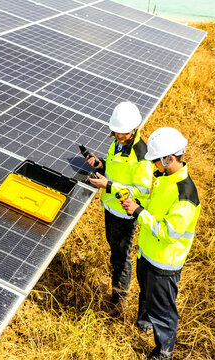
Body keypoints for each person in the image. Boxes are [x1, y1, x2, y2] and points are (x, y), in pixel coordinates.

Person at [121, 127, 201, 360]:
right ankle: (145, 322)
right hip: (147, 253)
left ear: (169, 158)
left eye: (156, 160)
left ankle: (163, 352)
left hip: (164, 263)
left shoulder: (185, 195)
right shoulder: (163, 178)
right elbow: (153, 203)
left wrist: (138, 212)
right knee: (146, 295)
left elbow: (168, 233)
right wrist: (137, 201)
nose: (153, 164)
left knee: (163, 311)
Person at [84, 101, 155, 306]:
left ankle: (118, 303)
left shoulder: (142, 155)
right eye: (116, 131)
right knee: (115, 253)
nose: (119, 135)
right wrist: (100, 165)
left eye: (123, 132)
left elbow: (140, 191)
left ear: (135, 128)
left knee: (121, 259)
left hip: (124, 214)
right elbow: (115, 170)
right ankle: (118, 294)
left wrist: (109, 185)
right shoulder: (117, 143)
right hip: (111, 208)